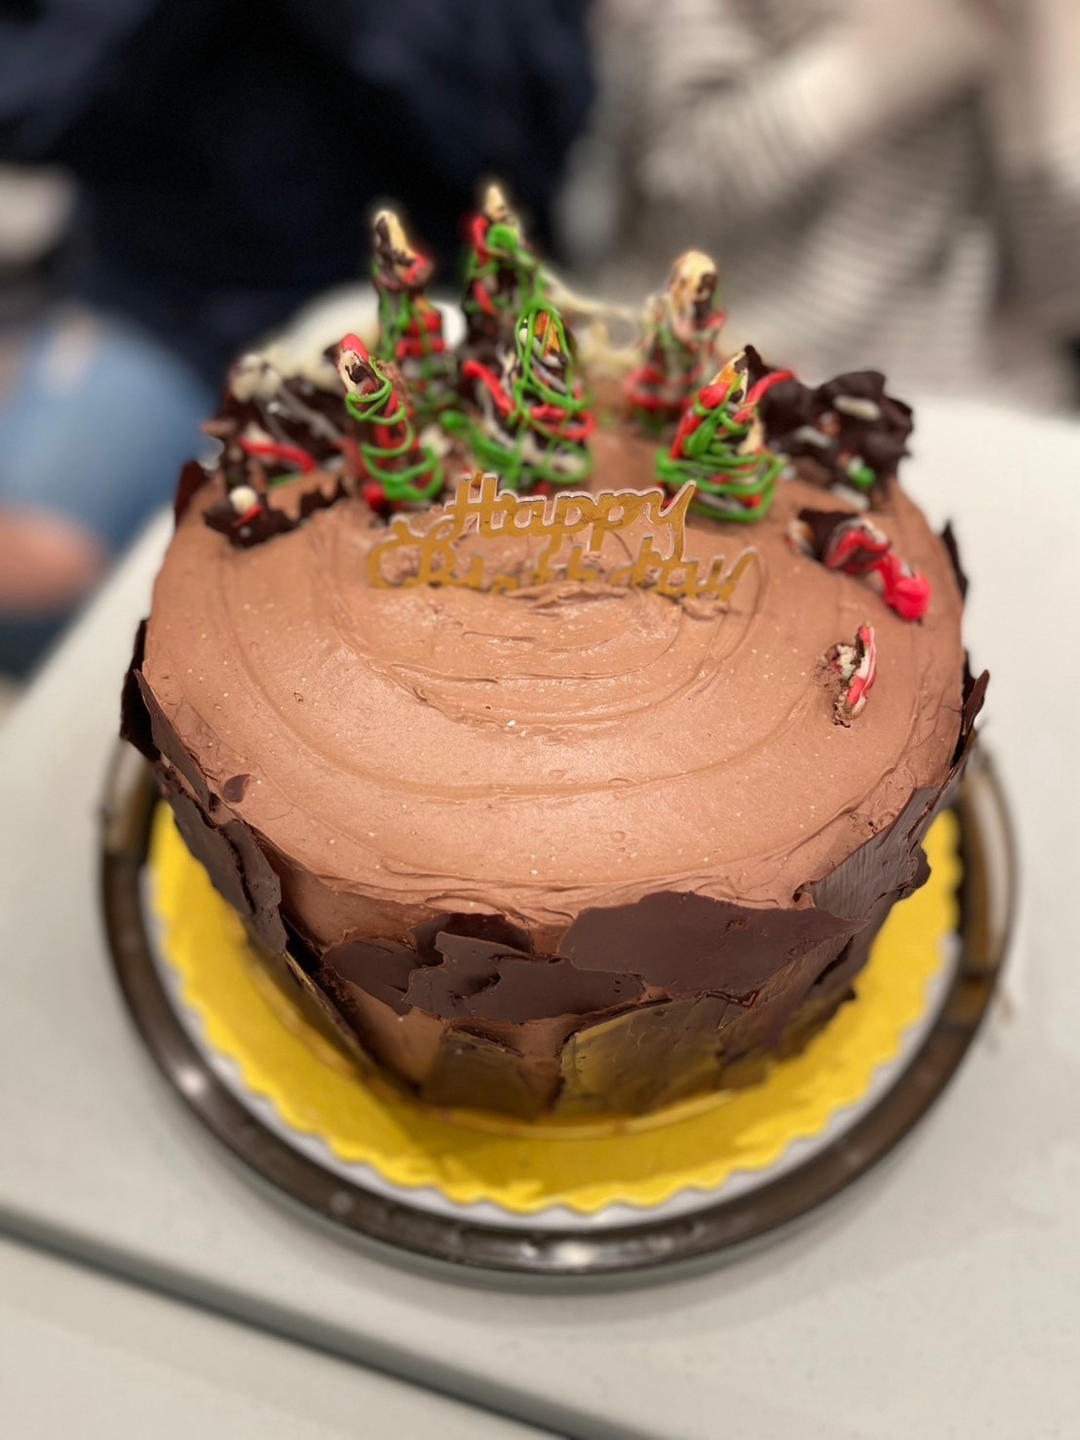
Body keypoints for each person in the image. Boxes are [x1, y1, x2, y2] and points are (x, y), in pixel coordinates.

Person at [0, 0, 592, 673]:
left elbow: (523, 157)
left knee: (384, 634)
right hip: (162, 313)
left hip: (398, 328)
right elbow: (32, 112)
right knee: (42, 587)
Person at [561, 0, 1080, 406]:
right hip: (747, 365)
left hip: (976, 395)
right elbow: (672, 197)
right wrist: (879, 63)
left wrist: (1045, 89)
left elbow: (1063, 297)